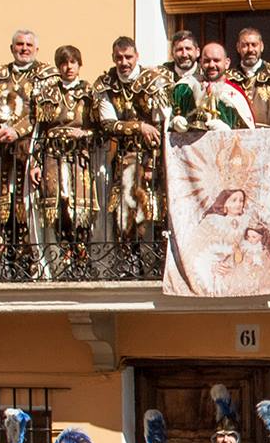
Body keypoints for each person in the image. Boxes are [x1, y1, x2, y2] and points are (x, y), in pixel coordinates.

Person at [95, 35, 168, 271]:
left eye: (128, 57)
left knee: (155, 209)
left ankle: (154, 260)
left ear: (137, 56)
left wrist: (152, 159)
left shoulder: (153, 80)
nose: (124, 62)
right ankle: (130, 260)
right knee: (125, 210)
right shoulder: (106, 83)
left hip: (154, 157)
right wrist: (139, 126)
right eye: (119, 58)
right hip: (123, 158)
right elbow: (107, 123)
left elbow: (162, 121)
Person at [28, 45, 101, 276]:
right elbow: (39, 131)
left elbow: (101, 130)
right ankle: (65, 260)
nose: (68, 67)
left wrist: (85, 134)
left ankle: (82, 260)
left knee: (80, 209)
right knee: (57, 209)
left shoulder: (90, 94)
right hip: (52, 156)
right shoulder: (48, 94)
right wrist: (35, 163)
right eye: (64, 63)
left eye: (72, 62)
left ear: (79, 64)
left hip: (79, 157)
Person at [0, 29, 51, 264]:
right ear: (12, 48)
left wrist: (17, 131)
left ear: (36, 49)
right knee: (4, 206)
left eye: (28, 45)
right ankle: (6, 259)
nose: (24, 48)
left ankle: (29, 258)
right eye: (19, 44)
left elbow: (41, 113)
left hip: (29, 151)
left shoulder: (45, 75)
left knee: (27, 205)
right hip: (1, 152)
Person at [168, 41, 253, 131]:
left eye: (216, 60)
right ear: (200, 62)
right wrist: (173, 123)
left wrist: (227, 132)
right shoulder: (184, 88)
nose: (212, 65)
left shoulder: (235, 95)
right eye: (207, 61)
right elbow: (164, 123)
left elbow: (249, 136)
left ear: (227, 63)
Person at [227, 27, 270, 127]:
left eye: (254, 45)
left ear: (261, 46)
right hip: (236, 140)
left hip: (268, 139)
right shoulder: (228, 79)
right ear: (238, 48)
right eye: (245, 45)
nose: (250, 49)